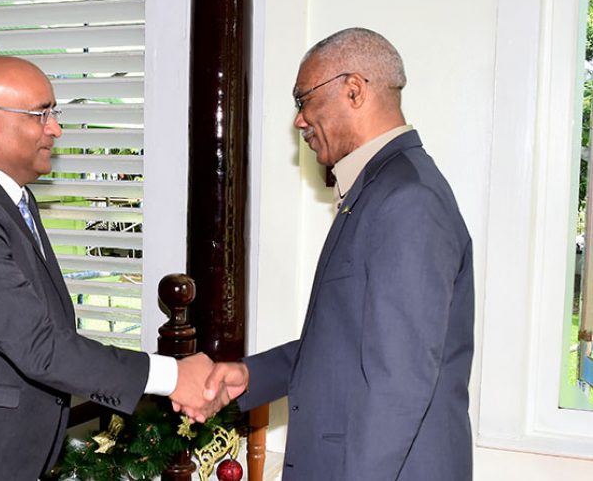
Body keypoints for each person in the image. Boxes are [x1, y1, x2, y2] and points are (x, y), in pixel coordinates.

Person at [0, 56, 226, 481]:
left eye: (53, 113)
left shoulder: (7, 199)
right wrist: (172, 375)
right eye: (40, 114)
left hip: (0, 454)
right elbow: (39, 345)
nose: (55, 128)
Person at [202, 28, 475, 480]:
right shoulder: (379, 188)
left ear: (354, 90)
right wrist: (251, 377)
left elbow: (398, 384)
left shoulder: (407, 199)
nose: (299, 121)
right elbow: (349, 344)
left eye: (303, 100)